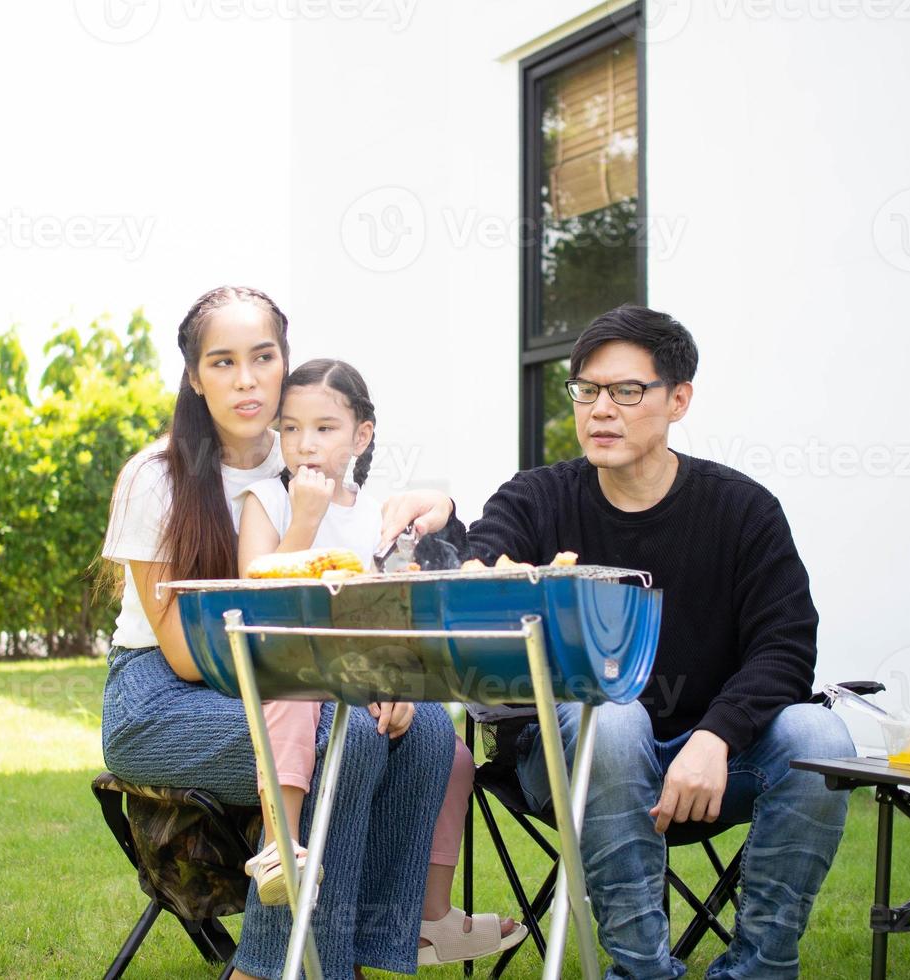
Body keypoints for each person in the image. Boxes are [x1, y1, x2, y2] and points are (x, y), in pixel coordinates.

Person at [394, 304, 855, 979]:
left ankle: (760, 968)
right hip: (568, 760)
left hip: (713, 765)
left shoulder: (741, 510)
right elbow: (480, 562)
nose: (600, 409)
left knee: (821, 739)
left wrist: (715, 737)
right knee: (613, 716)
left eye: (626, 391)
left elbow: (784, 647)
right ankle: (641, 971)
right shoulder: (537, 499)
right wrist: (445, 530)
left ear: (678, 400)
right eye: (586, 389)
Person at [100, 286, 455, 979]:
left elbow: (364, 548)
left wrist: (438, 503)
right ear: (195, 378)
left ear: (283, 362)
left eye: (262, 358)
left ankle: (357, 953)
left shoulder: (301, 452)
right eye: (222, 362)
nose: (245, 380)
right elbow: (183, 652)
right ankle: (264, 968)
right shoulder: (157, 479)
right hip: (163, 697)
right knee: (339, 735)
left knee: (429, 728)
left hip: (293, 676)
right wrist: (337, 683)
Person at [235, 358, 525, 966]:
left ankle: (428, 916)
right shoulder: (267, 500)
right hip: (288, 667)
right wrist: (307, 518)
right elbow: (261, 602)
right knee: (296, 701)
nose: (304, 444)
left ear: (361, 436)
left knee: (447, 749)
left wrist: (393, 683)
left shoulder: (379, 516)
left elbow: (388, 619)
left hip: (359, 674)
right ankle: (279, 844)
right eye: (290, 429)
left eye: (324, 428)